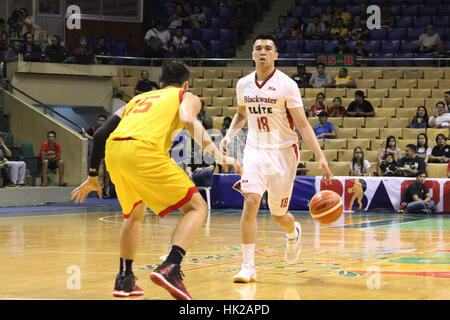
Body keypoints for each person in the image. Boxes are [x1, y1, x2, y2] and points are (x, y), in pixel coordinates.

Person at [71, 60, 241, 299]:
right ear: (185, 83)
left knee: (134, 215)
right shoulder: (186, 95)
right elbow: (189, 120)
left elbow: (99, 134)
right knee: (197, 207)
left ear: (160, 83)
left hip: (115, 153)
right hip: (144, 151)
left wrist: (92, 177)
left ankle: (124, 279)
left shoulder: (137, 99)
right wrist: (218, 154)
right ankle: (171, 266)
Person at [220, 33, 333, 284]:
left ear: (275, 55)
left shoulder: (287, 85)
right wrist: (229, 135)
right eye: (258, 48)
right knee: (250, 202)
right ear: (252, 54)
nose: (262, 52)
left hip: (284, 153)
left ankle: (293, 233)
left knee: (278, 214)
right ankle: (248, 266)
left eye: (268, 48)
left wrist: (321, 157)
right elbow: (241, 115)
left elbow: (303, 126)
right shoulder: (243, 84)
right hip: (255, 149)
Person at [83, 115, 110, 197]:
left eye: (103, 121)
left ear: (106, 121)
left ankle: (105, 192)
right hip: (99, 156)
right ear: (98, 121)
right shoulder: (94, 128)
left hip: (108, 155)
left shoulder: (109, 129)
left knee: (107, 175)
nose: (101, 122)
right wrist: (92, 138)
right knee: (100, 173)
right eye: (100, 120)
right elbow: (85, 133)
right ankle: (100, 192)